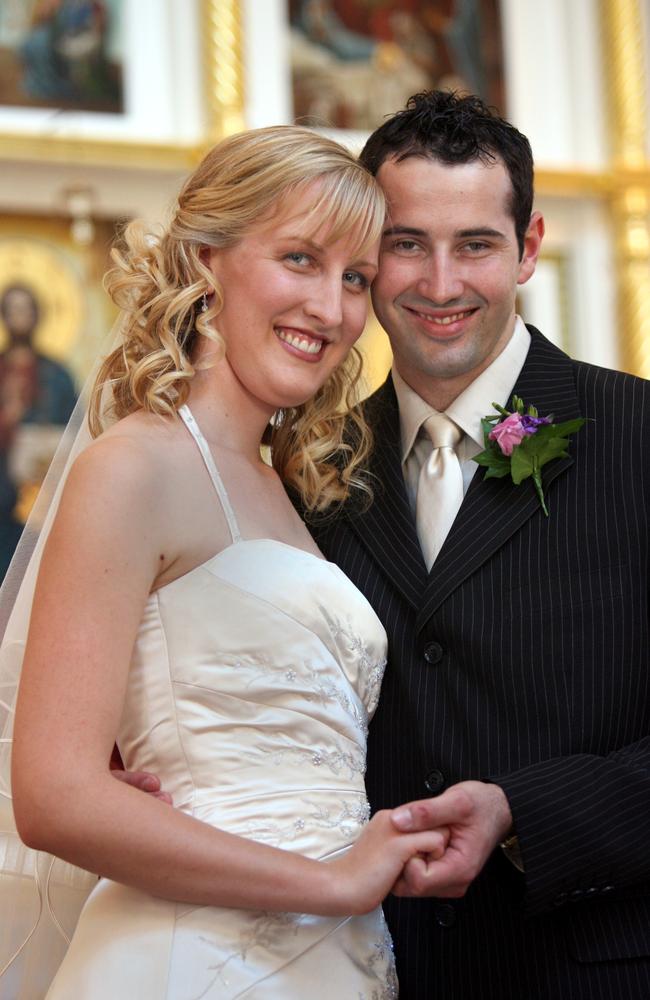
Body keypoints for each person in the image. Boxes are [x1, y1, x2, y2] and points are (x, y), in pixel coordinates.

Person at [6, 125, 450, 999]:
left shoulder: (284, 483)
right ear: (208, 259)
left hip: (334, 956)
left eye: (355, 278)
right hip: (192, 959)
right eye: (299, 259)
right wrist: (334, 882)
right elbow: (53, 796)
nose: (331, 308)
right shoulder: (133, 465)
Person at [304, 91, 650, 998]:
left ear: (529, 247)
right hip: (366, 970)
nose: (441, 283)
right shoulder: (308, 463)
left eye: (477, 246)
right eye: (407, 243)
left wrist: (523, 814)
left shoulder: (641, 437)